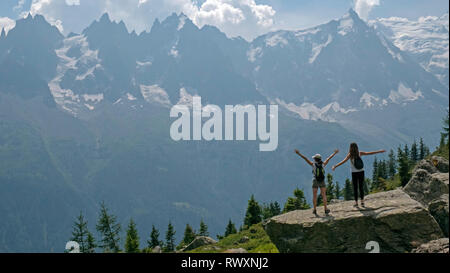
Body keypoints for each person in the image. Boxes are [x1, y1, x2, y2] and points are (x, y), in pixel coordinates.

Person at [332, 143, 385, 208]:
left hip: (354, 173)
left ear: (350, 148)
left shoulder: (350, 155)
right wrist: (379, 151)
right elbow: (369, 153)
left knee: (355, 188)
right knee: (361, 187)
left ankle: (356, 203)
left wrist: (335, 166)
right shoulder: (360, 153)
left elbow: (343, 161)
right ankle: (362, 202)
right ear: (357, 147)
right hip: (361, 172)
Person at [295, 149, 339, 215]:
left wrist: (299, 153)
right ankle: (325, 209)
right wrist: (334, 153)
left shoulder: (313, 165)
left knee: (314, 195)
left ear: (315, 159)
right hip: (322, 180)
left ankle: (315, 209)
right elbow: (329, 158)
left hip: (315, 180)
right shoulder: (323, 164)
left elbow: (305, 158)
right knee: (324, 195)